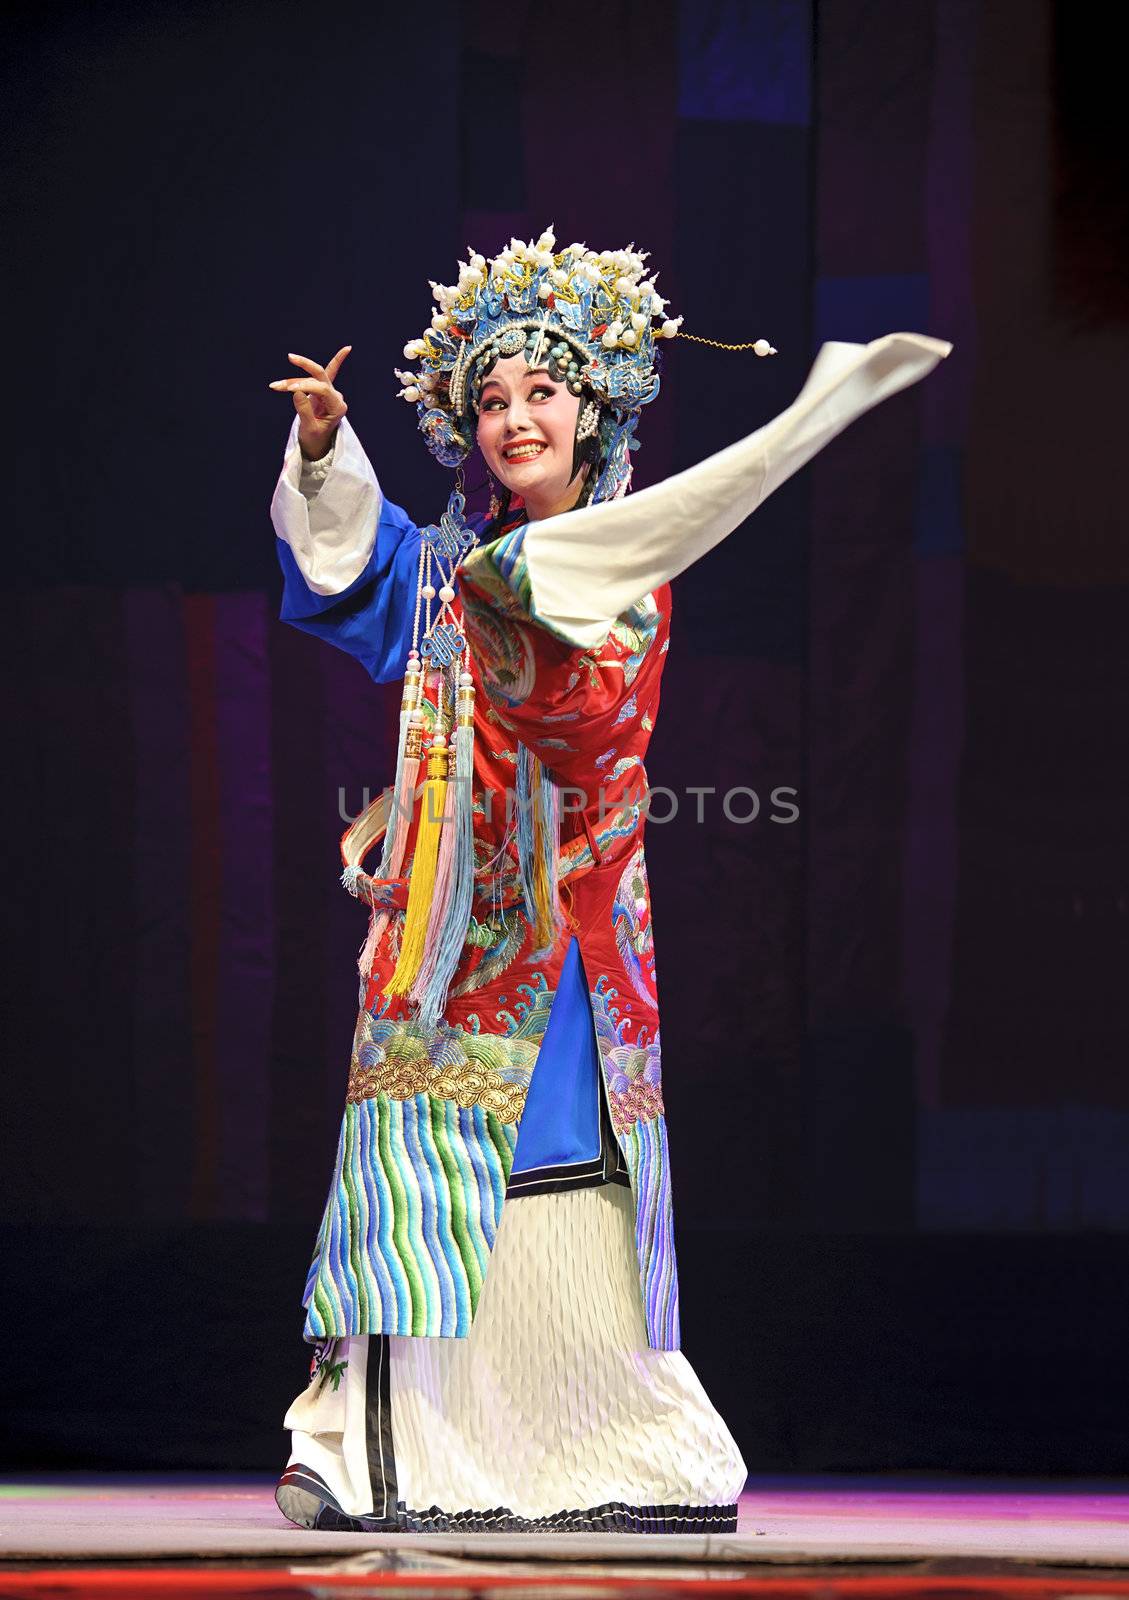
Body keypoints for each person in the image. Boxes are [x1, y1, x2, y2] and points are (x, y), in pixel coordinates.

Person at [266, 230, 951, 1534]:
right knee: (407, 1169)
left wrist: (515, 587)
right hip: (441, 924)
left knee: (548, 1170)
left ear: (594, 408)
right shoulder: (447, 567)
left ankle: (613, 1446)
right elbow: (351, 573)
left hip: (560, 930)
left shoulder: (614, 588)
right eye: (491, 401)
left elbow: (571, 710)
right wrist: (318, 456)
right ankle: (366, 1454)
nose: (515, 418)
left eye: (541, 392)